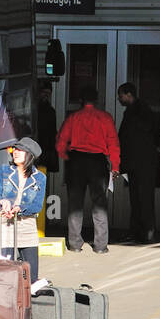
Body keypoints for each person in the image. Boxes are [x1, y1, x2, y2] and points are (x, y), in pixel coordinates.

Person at [55, 84, 119, 254]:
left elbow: (61, 142)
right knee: (100, 205)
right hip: (97, 162)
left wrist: (67, 157)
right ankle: (100, 246)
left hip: (77, 161)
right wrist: (115, 166)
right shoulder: (105, 117)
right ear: (96, 100)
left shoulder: (73, 117)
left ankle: (75, 244)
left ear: (81, 100)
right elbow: (113, 143)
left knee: (75, 204)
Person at [0, 137, 47, 281]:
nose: (15, 152)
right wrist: (2, 201)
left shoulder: (40, 178)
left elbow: (37, 205)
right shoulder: (3, 171)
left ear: (30, 155)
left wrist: (19, 208)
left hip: (27, 225)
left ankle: (27, 301)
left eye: (20, 150)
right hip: (6, 225)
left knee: (31, 276)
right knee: (4, 273)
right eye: (15, 149)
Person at [117, 81, 159, 244]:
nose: (119, 99)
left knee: (142, 198)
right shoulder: (138, 110)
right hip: (140, 163)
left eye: (121, 95)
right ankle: (140, 232)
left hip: (141, 163)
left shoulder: (137, 112)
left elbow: (133, 135)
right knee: (138, 198)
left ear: (128, 95)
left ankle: (146, 232)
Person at [35, 81, 59, 173]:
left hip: (44, 150)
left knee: (40, 175)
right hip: (40, 148)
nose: (46, 96)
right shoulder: (45, 110)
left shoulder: (50, 111)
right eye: (44, 93)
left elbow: (51, 133)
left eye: (48, 93)